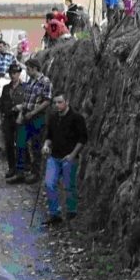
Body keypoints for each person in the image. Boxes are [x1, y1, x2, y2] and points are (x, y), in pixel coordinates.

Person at [41, 95, 88, 226]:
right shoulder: (53, 118)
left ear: (67, 102)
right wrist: (46, 146)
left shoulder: (77, 118)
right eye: (55, 102)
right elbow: (49, 136)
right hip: (54, 157)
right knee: (49, 183)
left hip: (69, 158)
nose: (57, 105)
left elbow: (83, 139)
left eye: (60, 102)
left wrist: (73, 155)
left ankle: (71, 212)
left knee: (69, 186)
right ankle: (54, 214)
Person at [13, 60, 53, 184]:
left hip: (37, 117)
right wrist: (21, 113)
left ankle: (36, 173)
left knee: (36, 145)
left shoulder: (45, 82)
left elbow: (47, 101)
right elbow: (26, 100)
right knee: (20, 143)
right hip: (27, 115)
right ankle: (20, 172)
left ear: (35, 68)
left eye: (29, 69)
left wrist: (33, 113)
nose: (27, 72)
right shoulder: (30, 82)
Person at [0, 63, 28, 179]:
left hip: (20, 118)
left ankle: (21, 168)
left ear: (19, 74)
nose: (12, 75)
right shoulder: (6, 88)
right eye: (11, 73)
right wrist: (1, 117)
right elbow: (1, 103)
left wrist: (21, 107)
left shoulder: (25, 87)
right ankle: (12, 168)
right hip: (8, 119)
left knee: (20, 143)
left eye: (15, 73)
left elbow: (28, 102)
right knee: (9, 144)